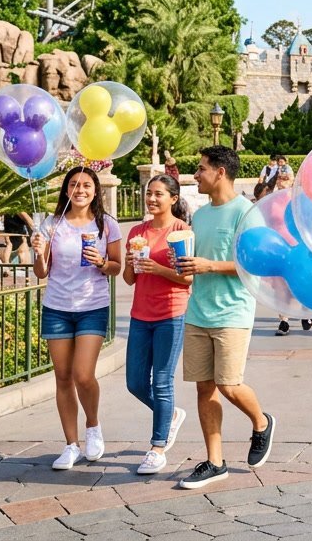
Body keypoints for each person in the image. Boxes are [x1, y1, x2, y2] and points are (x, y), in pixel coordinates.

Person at [178, 146, 276, 489]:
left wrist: (210, 266)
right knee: (204, 387)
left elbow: (256, 266)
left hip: (233, 312)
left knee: (228, 384)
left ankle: (261, 422)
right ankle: (214, 461)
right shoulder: (201, 216)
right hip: (198, 311)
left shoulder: (246, 213)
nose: (196, 175)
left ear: (220, 172)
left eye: (201, 168)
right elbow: (196, 263)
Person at [30, 167, 123, 470]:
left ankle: (93, 426)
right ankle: (71, 445)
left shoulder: (106, 224)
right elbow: (42, 272)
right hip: (57, 307)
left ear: (95, 190)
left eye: (85, 185)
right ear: (66, 190)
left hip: (92, 307)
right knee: (63, 378)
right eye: (73, 185)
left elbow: (117, 268)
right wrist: (38, 252)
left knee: (83, 374)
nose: (79, 190)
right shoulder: (51, 225)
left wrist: (103, 262)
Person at [122, 174, 193, 475]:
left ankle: (157, 448)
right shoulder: (137, 231)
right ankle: (172, 414)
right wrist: (130, 262)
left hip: (171, 313)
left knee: (162, 381)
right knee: (135, 382)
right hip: (140, 314)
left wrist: (158, 268)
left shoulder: (182, 231)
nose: (152, 199)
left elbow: (187, 278)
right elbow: (129, 279)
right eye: (149, 193)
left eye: (159, 194)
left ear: (173, 199)